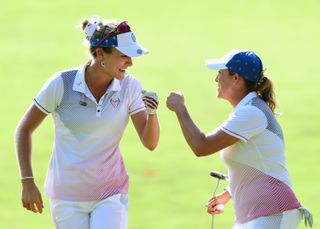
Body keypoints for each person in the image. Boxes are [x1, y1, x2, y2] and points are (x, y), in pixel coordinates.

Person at [15, 15, 160, 229]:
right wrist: (27, 181)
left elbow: (150, 143)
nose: (130, 62)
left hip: (111, 192)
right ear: (101, 54)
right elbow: (24, 129)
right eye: (124, 56)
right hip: (66, 197)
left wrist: (152, 113)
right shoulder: (62, 83)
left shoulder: (130, 86)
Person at [166, 49, 313, 228]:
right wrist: (229, 192)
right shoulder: (247, 110)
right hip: (258, 216)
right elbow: (257, 161)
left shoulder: (252, 113)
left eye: (220, 73)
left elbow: (201, 146)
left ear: (236, 78)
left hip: (274, 214)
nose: (216, 79)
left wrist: (180, 108)